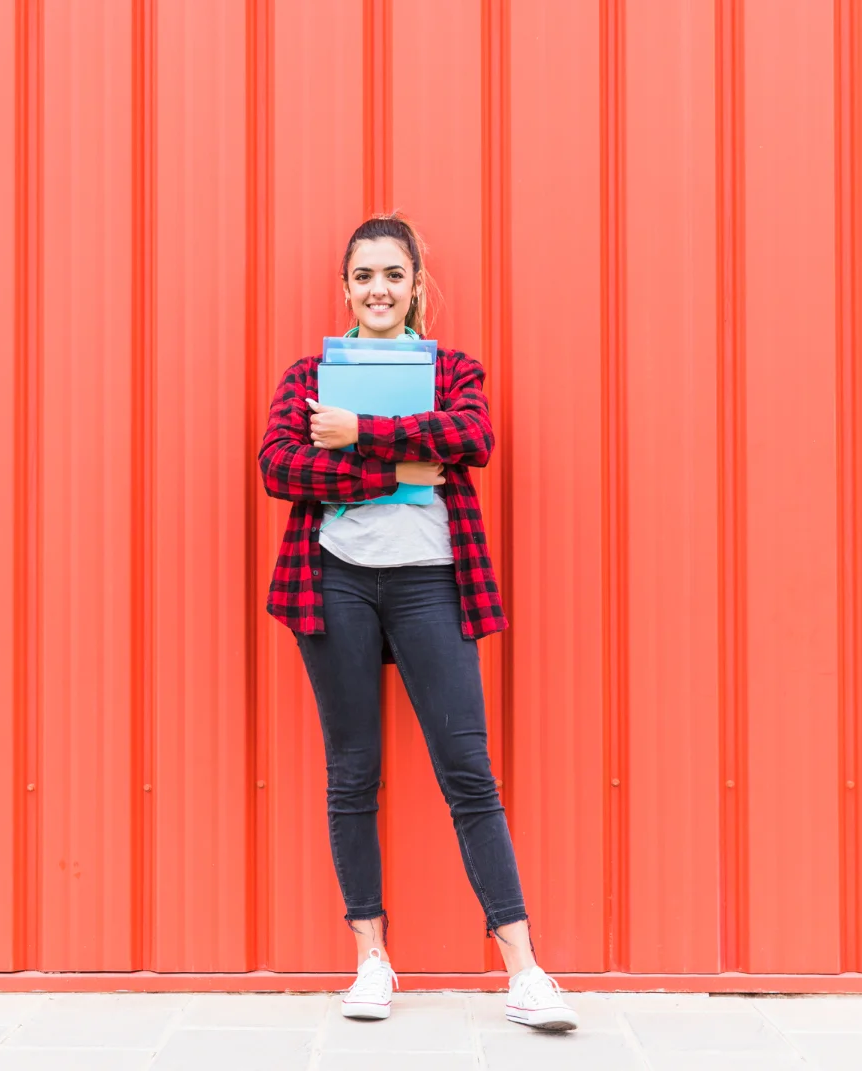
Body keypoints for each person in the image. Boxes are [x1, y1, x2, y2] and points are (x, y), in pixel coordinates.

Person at [258, 214, 579, 1031]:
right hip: (334, 584)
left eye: (393, 275)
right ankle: (371, 959)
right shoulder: (308, 376)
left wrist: (360, 435)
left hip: (431, 583)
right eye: (364, 276)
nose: (378, 289)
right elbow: (280, 466)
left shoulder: (452, 369)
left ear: (415, 287)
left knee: (467, 769)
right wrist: (397, 470)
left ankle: (525, 968)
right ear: (345, 288)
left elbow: (472, 436)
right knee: (352, 772)